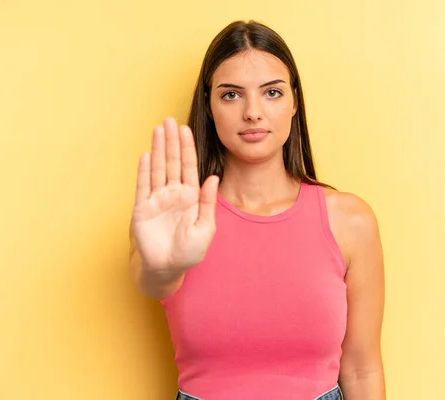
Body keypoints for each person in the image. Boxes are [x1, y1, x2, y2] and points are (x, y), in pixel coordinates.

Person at [128, 20, 386, 400]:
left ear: (294, 101)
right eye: (231, 95)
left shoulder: (350, 221)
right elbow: (150, 280)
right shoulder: (174, 219)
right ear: (209, 106)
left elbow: (363, 369)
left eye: (272, 93)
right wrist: (164, 265)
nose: (253, 112)